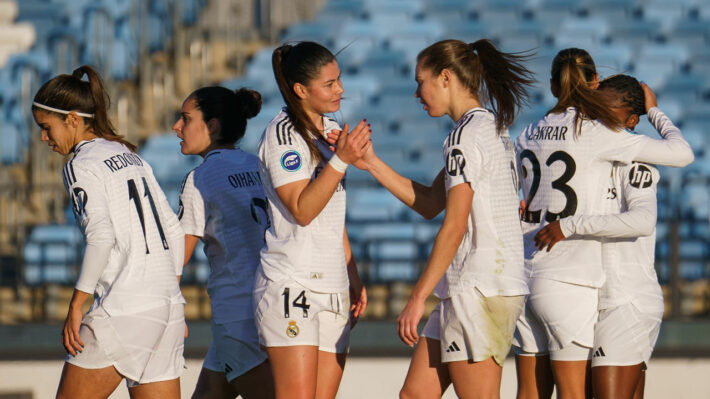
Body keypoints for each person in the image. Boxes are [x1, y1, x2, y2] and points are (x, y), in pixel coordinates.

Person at [330, 38, 536, 398]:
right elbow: (429, 203)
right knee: (414, 395)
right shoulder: (491, 129)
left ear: (444, 77)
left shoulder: (464, 137)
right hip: (478, 286)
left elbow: (454, 224)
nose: (416, 92)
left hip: (479, 288)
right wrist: (372, 164)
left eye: (419, 80)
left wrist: (417, 298)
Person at [513, 49, 693, 399]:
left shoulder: (527, 134)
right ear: (592, 86)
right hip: (574, 284)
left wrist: (565, 223)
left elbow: (641, 220)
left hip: (593, 289)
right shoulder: (600, 138)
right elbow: (682, 153)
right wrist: (654, 111)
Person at [33, 65, 186, 399]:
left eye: (46, 128)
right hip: (167, 309)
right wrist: (168, 298)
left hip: (125, 308)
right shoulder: (129, 155)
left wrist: (76, 304)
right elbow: (173, 230)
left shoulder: (81, 164)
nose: (44, 138)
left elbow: (100, 236)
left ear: (72, 119)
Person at [534, 75, 667, 399]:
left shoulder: (636, 160)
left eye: (608, 111)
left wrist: (572, 225)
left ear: (632, 120)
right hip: (595, 298)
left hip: (627, 299)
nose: (598, 118)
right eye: (595, 109)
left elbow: (643, 220)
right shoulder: (589, 155)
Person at [255, 41, 370, 399]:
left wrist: (351, 273)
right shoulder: (283, 134)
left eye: (339, 80)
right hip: (293, 282)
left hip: (332, 284)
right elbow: (302, 210)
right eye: (330, 83)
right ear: (301, 90)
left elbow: (331, 213)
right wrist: (341, 161)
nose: (341, 90)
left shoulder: (330, 127)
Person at [174, 86, 274, 399]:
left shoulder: (201, 178)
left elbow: (177, 258)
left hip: (237, 316)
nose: (176, 127)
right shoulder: (260, 166)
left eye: (186, 119)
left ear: (212, 126)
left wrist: (169, 314)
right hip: (270, 307)